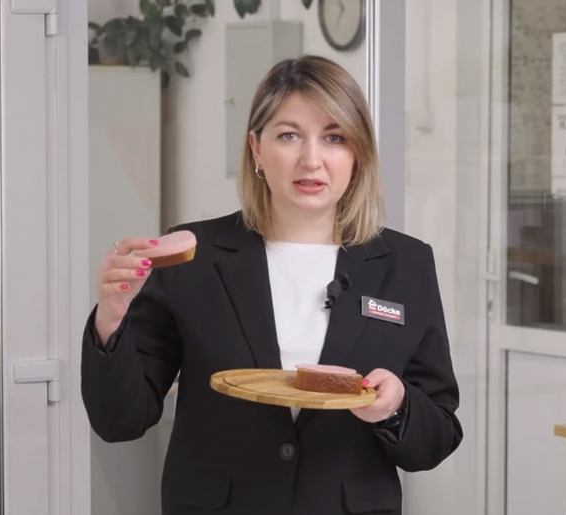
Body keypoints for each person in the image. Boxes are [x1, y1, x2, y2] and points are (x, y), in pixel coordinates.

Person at [81, 55, 462, 515]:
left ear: (357, 154)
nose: (311, 160)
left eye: (334, 137)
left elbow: (437, 437)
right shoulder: (195, 257)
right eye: (288, 135)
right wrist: (111, 318)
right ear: (256, 149)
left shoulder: (406, 264)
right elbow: (120, 421)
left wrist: (397, 407)